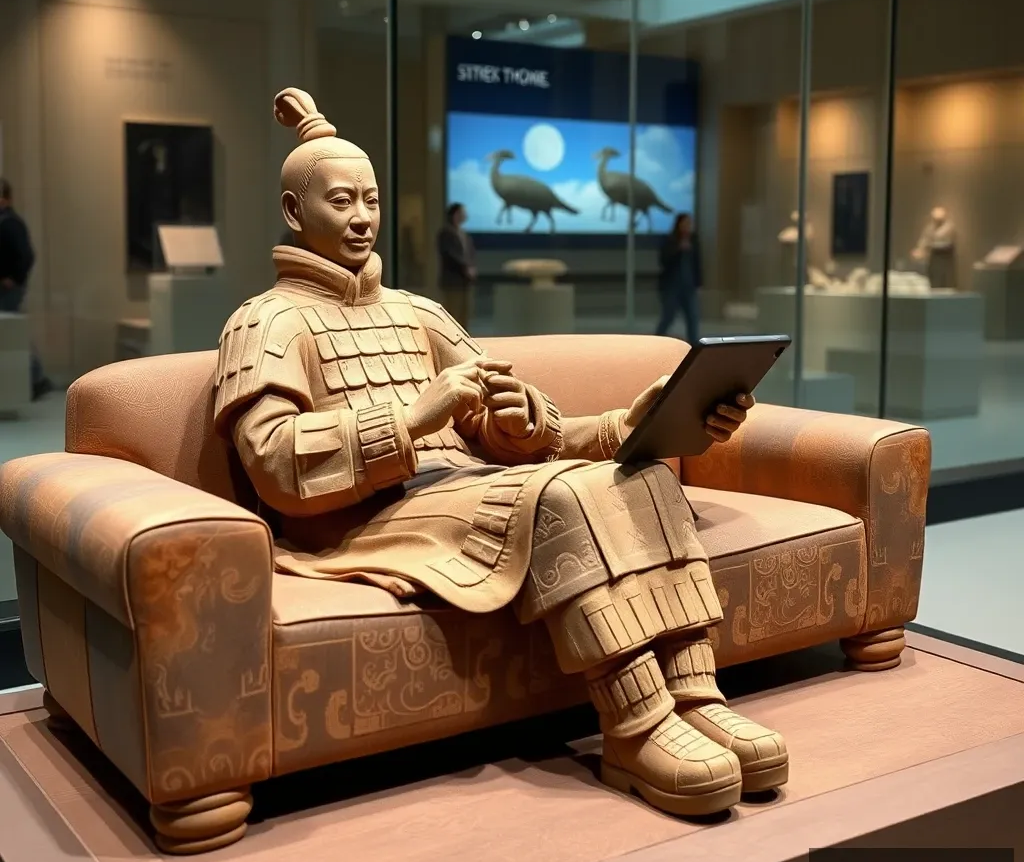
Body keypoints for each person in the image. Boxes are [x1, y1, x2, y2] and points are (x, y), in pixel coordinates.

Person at [214, 88, 787, 822]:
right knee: (564, 496)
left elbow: (512, 421)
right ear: (296, 212)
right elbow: (275, 464)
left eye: (372, 199)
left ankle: (696, 696)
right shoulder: (265, 322)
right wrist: (416, 417)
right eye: (340, 201)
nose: (361, 218)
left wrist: (598, 426)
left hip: (462, 489)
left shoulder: (417, 311)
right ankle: (637, 728)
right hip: (366, 519)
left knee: (638, 474)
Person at [0, 179, 52, 400]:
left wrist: (14, 278)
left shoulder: (11, 223)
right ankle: (34, 377)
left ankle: (36, 377)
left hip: (8, 288)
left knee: (13, 333)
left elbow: (26, 256)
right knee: (12, 333)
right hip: (7, 286)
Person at [656, 212, 702, 345]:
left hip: (689, 286)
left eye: (690, 223)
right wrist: (678, 249)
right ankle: (657, 340)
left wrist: (699, 283)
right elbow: (663, 260)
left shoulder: (693, 240)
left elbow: (697, 263)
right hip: (672, 287)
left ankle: (694, 346)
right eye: (685, 223)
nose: (688, 226)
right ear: (679, 224)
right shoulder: (671, 240)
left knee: (693, 318)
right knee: (668, 317)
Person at [437, 201, 476, 328]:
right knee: (453, 313)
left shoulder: (464, 234)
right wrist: (465, 267)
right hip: (452, 280)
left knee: (464, 313)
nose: (465, 215)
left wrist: (471, 267)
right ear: (455, 214)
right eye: (462, 213)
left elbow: (469, 253)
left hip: (465, 281)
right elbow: (449, 254)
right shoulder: (446, 233)